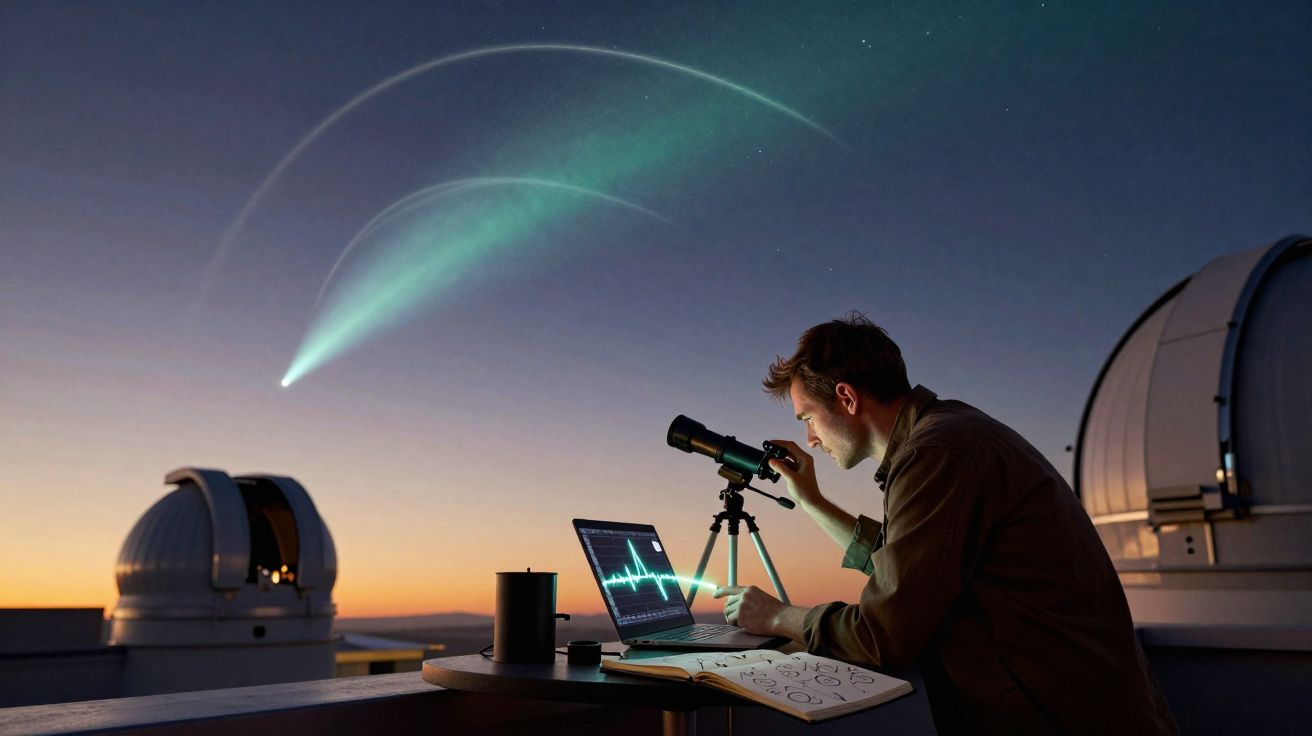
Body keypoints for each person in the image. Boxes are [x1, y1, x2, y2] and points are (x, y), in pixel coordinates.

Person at [713, 312, 1177, 735]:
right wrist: (811, 501)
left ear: (847, 398)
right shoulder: (950, 431)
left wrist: (778, 617)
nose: (810, 438)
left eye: (808, 418)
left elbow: (882, 635)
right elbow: (910, 565)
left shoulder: (935, 455)